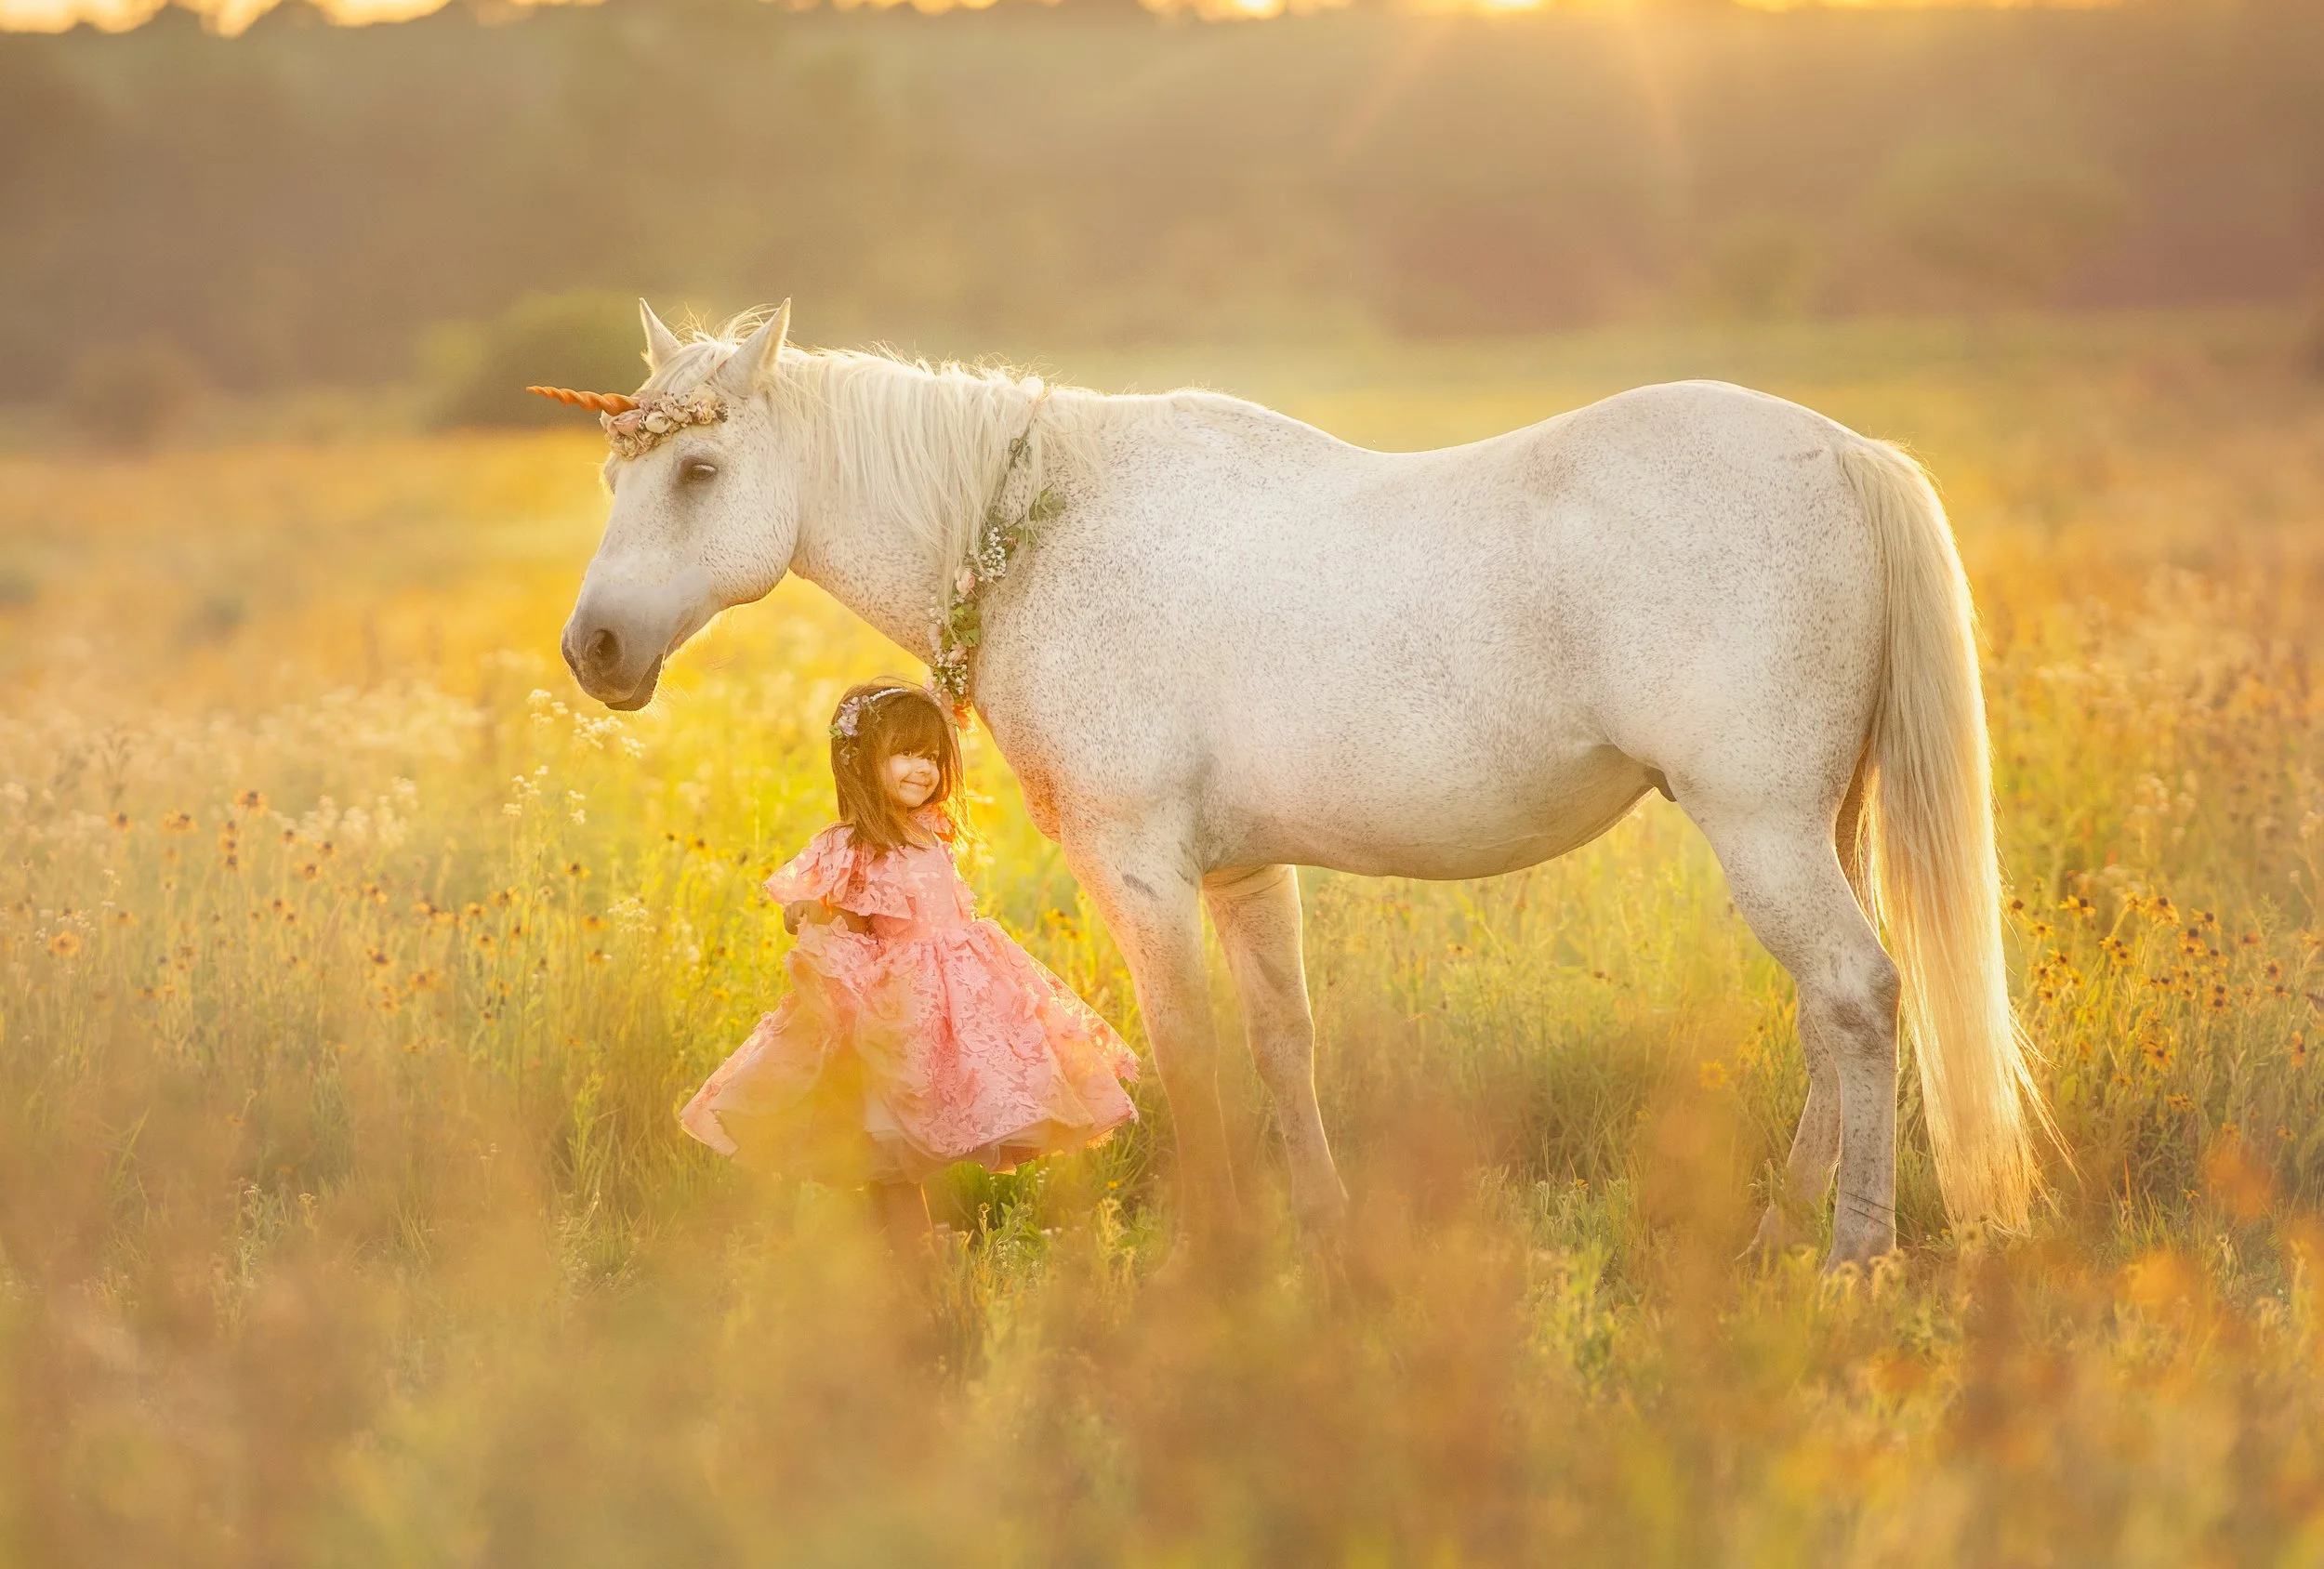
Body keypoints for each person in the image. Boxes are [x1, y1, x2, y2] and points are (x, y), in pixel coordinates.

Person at [680, 679, 1139, 1251]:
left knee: (939, 1121)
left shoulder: (932, 832)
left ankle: (908, 1257)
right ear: (860, 760)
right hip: (900, 1008)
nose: (923, 769)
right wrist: (810, 909)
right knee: (888, 1141)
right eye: (906, 753)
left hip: (960, 999)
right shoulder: (853, 844)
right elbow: (843, 913)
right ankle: (909, 1257)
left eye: (931, 756)